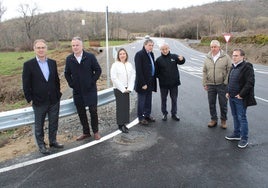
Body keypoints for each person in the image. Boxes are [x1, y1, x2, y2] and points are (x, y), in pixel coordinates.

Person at [22, 39, 63, 155]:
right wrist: (30, 99)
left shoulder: (52, 63)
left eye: (43, 47)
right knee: (39, 125)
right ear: (34, 49)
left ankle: (53, 141)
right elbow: (26, 84)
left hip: (53, 100)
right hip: (39, 101)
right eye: (38, 48)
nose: (41, 50)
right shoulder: (28, 65)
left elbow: (56, 80)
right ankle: (41, 145)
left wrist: (58, 94)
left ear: (46, 49)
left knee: (53, 122)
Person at [64, 37, 102, 141]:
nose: (75, 47)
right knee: (81, 112)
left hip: (90, 90)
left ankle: (96, 131)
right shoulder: (69, 59)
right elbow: (67, 74)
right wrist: (72, 84)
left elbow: (98, 70)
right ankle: (86, 132)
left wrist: (92, 81)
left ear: (82, 46)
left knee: (93, 111)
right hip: (77, 91)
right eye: (73, 45)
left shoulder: (90, 57)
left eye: (77, 45)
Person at [225, 49, 257, 148]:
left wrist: (241, 95)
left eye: (236, 56)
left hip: (240, 98)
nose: (234, 57)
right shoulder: (233, 66)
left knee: (242, 118)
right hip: (231, 96)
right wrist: (227, 92)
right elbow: (230, 80)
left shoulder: (247, 67)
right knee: (235, 116)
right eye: (233, 55)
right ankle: (236, 134)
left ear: (242, 57)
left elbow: (250, 83)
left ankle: (244, 138)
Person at [202, 40, 232, 129]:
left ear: (219, 47)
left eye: (215, 47)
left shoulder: (226, 57)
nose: (213, 49)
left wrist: (226, 82)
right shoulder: (207, 57)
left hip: (222, 84)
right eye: (212, 47)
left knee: (223, 104)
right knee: (211, 103)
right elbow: (204, 71)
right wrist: (205, 83)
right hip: (210, 84)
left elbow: (230, 70)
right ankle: (213, 119)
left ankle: (223, 120)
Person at [155, 43, 185, 121]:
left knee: (174, 99)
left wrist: (182, 59)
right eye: (163, 49)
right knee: (163, 99)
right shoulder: (158, 60)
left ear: (169, 48)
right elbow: (156, 73)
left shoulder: (174, 56)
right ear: (160, 50)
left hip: (174, 84)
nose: (165, 51)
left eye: (166, 49)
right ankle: (164, 113)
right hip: (163, 84)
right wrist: (162, 78)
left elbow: (181, 61)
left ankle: (174, 114)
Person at [110, 48, 136, 133]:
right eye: (120, 54)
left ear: (126, 55)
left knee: (126, 107)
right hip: (119, 89)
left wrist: (129, 88)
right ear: (118, 55)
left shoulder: (129, 64)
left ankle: (124, 123)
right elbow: (114, 78)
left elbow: (132, 76)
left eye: (124, 53)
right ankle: (120, 125)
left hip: (127, 89)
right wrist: (122, 89)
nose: (122, 55)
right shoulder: (115, 65)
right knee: (120, 107)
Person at [134, 38, 157, 125]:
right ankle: (140, 118)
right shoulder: (139, 54)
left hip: (150, 81)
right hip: (142, 83)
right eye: (149, 45)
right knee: (142, 101)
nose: (151, 47)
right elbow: (139, 71)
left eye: (152, 45)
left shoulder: (151, 54)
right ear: (145, 45)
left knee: (148, 100)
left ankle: (147, 115)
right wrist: (143, 83)